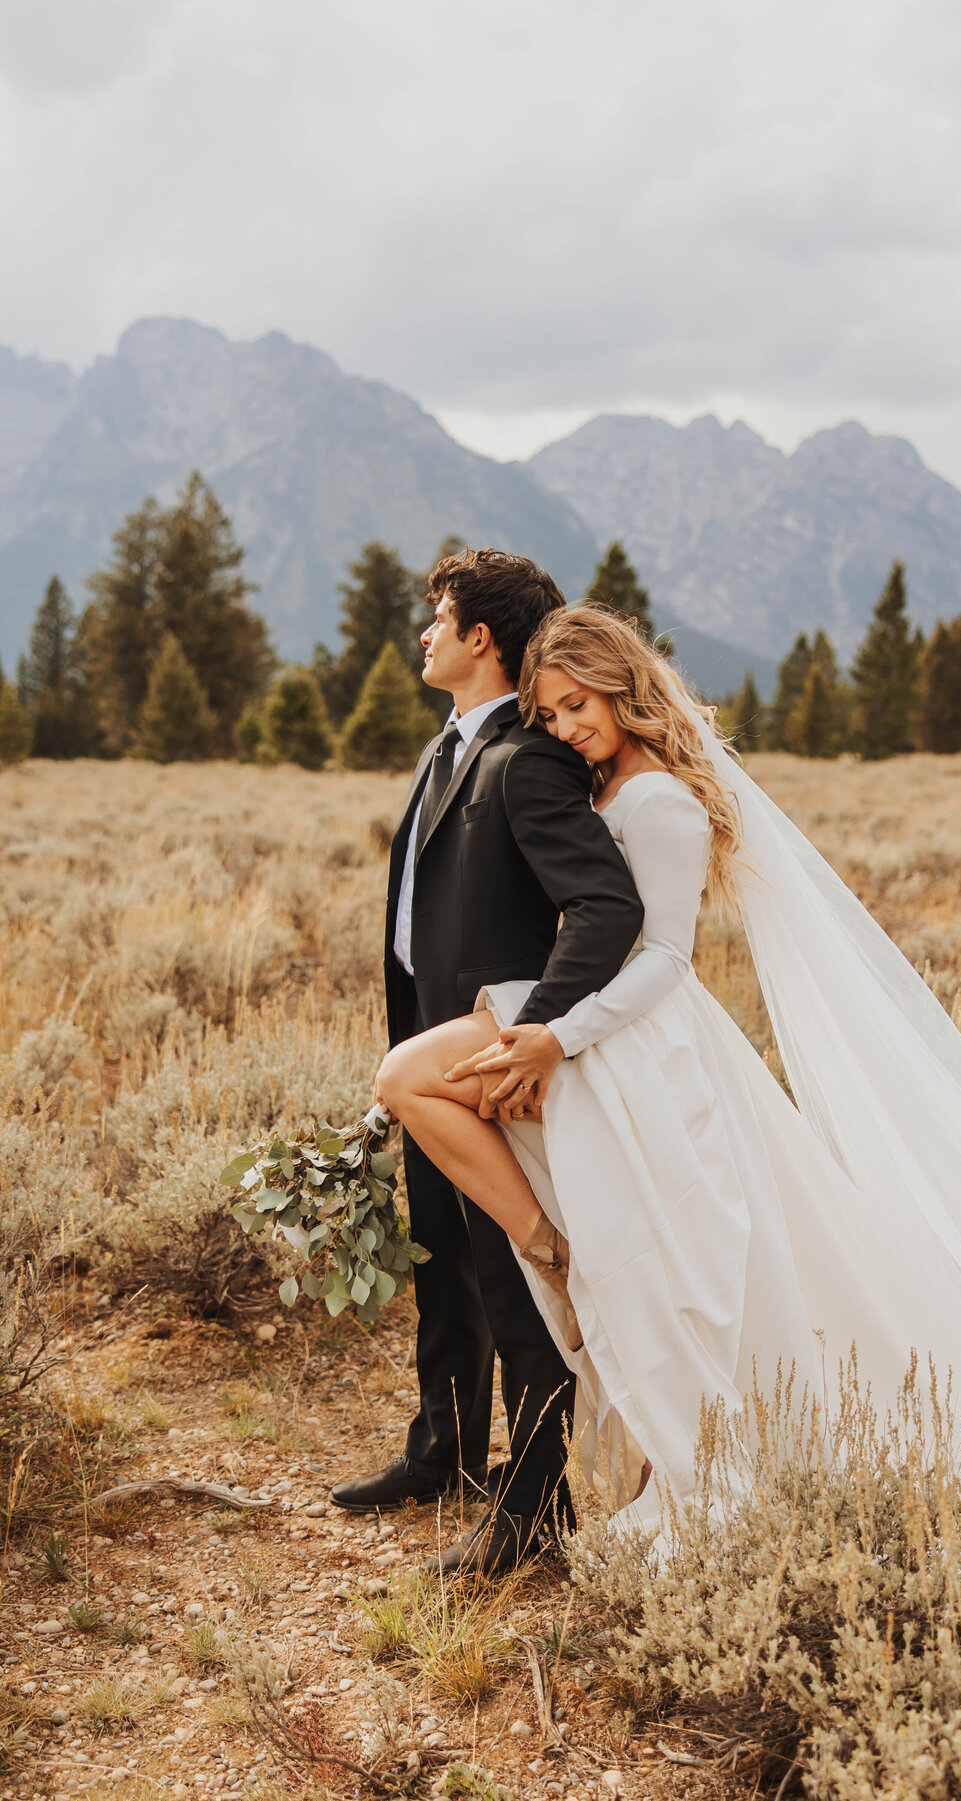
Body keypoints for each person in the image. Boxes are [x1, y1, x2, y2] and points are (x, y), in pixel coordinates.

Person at [378, 605, 961, 1542]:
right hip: (597, 1026)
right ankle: (554, 1256)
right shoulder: (610, 781)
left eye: (577, 706)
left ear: (622, 686)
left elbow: (665, 958)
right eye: (553, 714)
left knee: (673, 1247)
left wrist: (556, 1036)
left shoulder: (659, 798)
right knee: (618, 1222)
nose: (566, 728)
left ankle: (565, 1274)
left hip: (640, 1036)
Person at [330, 555, 644, 1577]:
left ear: (482, 641)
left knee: (517, 1280)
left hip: (499, 1060)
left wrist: (536, 1034)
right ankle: (445, 1447)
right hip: (431, 1045)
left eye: (440, 619)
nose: (423, 635)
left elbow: (603, 907)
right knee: (440, 1258)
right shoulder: (446, 748)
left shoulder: (530, 755)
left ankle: (537, 1500)